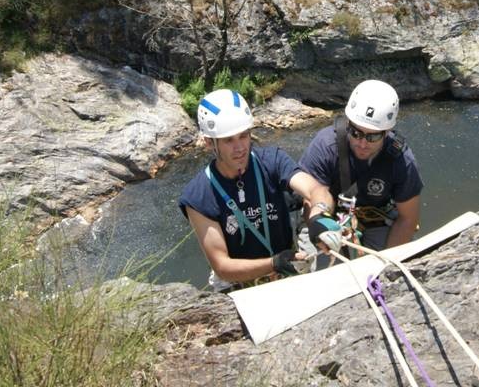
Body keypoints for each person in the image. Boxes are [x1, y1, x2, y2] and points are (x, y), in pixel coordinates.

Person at [178, 88, 334, 291]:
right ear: (209, 143)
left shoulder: (272, 161)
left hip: (286, 265)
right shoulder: (198, 196)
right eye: (228, 140)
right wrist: (273, 263)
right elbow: (222, 266)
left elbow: (315, 189)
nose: (240, 147)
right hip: (239, 282)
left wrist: (318, 217)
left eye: (244, 136)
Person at [298, 80, 424, 253]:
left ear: (387, 132)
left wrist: (387, 265)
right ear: (348, 124)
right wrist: (320, 225)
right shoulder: (325, 145)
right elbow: (310, 196)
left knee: (399, 262)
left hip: (376, 218)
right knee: (314, 257)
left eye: (372, 137)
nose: (362, 143)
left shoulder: (401, 160)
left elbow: (407, 219)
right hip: (327, 214)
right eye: (356, 133)